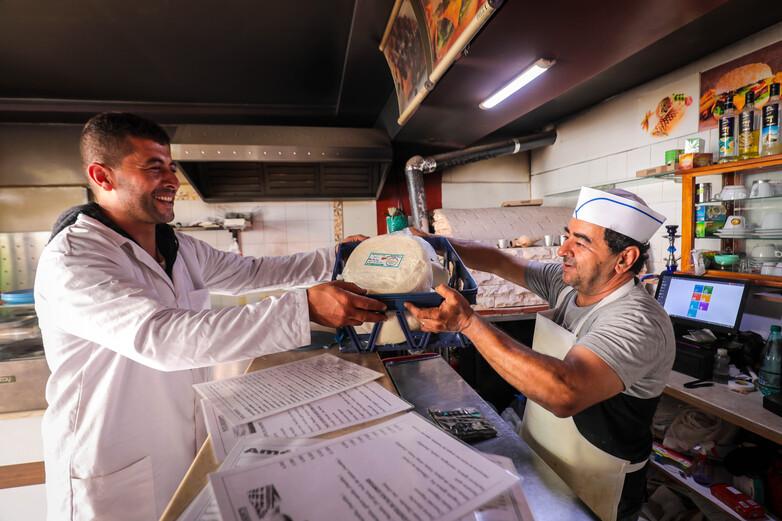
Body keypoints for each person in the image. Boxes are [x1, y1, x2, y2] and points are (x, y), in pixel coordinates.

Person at [34, 112, 386, 521]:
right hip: (111, 465)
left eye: (171, 166)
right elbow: (160, 338)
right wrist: (303, 308)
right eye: (153, 168)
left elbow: (254, 273)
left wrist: (342, 256)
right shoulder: (75, 259)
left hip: (182, 446)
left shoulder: (177, 246)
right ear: (103, 176)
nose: (171, 180)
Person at [406, 187, 676, 521]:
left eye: (581, 242)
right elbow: (498, 259)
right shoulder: (568, 285)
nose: (563, 250)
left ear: (625, 259)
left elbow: (564, 392)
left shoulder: (638, 321)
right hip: (542, 462)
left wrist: (467, 323)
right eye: (567, 236)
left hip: (600, 487)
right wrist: (431, 245)